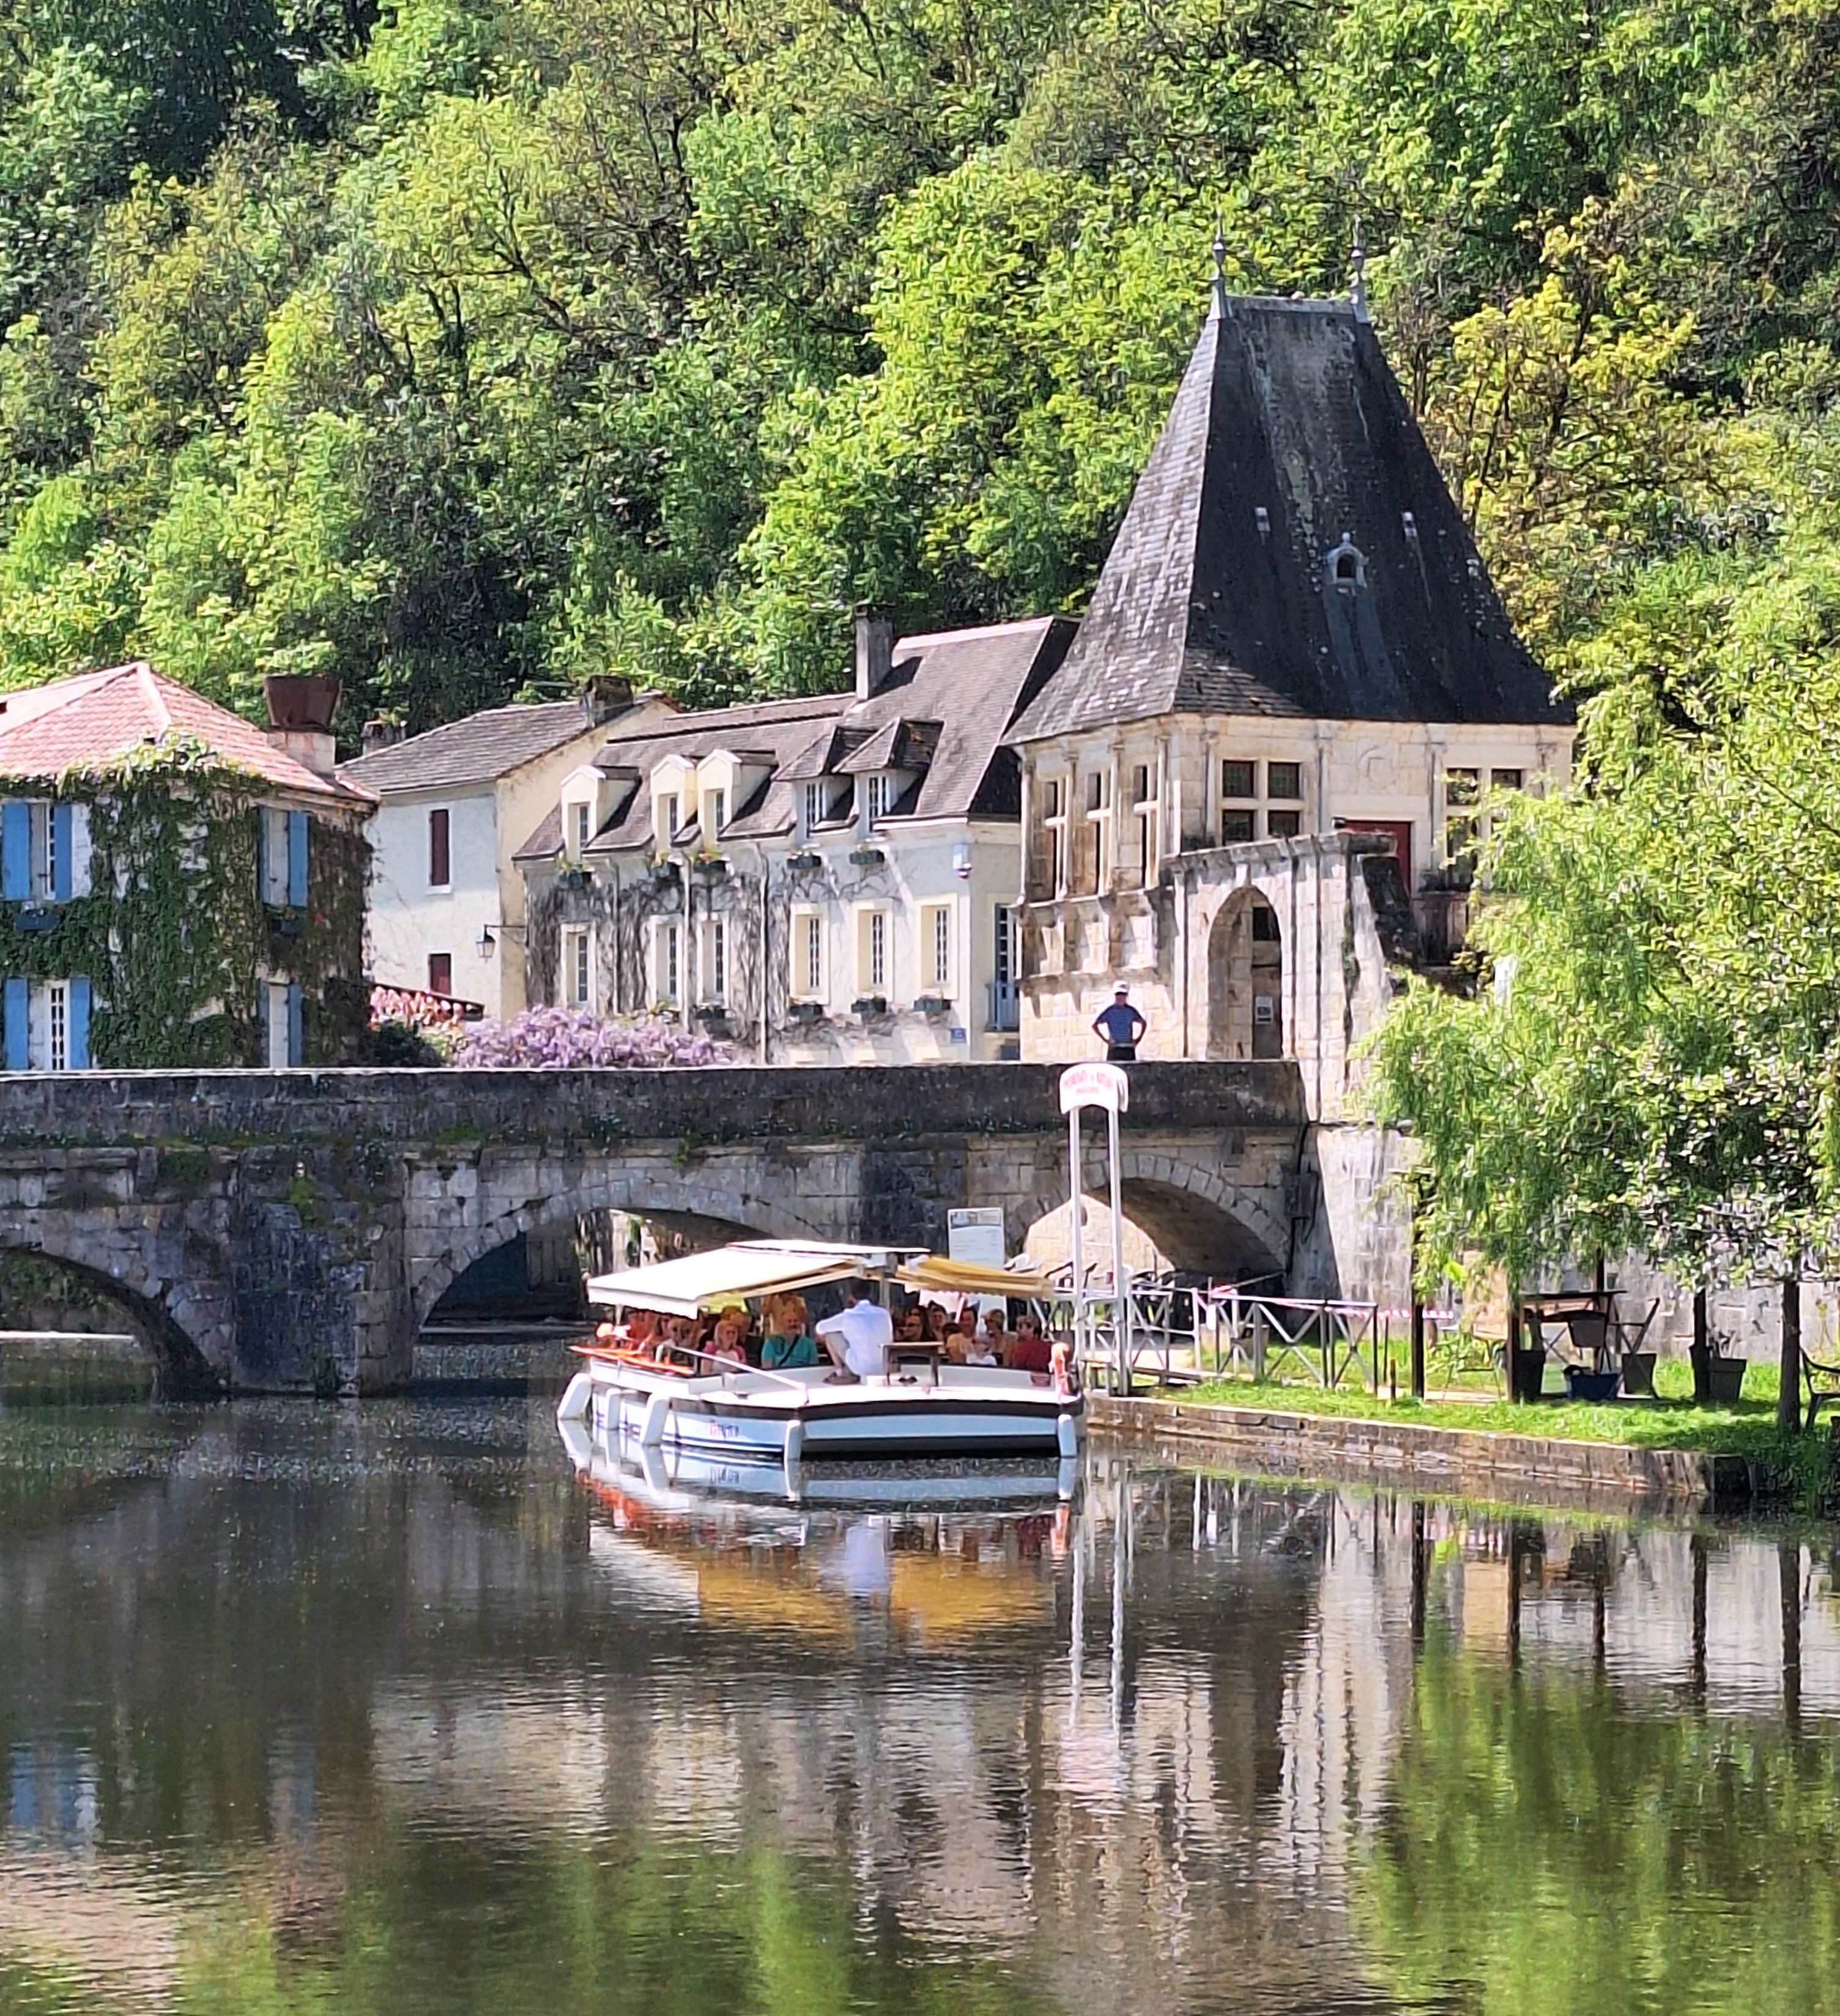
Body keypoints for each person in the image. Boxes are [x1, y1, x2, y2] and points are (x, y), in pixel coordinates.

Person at [814, 1281, 894, 1382]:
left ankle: (840, 1371)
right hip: (884, 1367)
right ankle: (847, 1368)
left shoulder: (848, 1316)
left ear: (851, 1296)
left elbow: (819, 1328)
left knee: (830, 1334)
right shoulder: (884, 1314)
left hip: (860, 1367)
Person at [761, 1294, 821, 1370]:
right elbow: (764, 1313)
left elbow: (805, 1319)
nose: (793, 1324)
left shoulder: (809, 1344)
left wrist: (795, 1301)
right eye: (790, 1321)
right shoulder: (770, 1343)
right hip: (777, 1337)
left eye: (795, 1321)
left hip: (798, 1339)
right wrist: (771, 1294)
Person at [1092, 984, 1147, 1062]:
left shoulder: (1131, 1011)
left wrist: (1138, 1039)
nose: (1120, 997)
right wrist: (1106, 1040)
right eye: (1118, 994)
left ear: (1126, 996)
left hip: (1128, 1047)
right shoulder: (1109, 1011)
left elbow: (1143, 1023)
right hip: (1114, 1047)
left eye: (1123, 994)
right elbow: (1095, 1025)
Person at [1009, 1311, 1053, 1376]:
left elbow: (1036, 1369)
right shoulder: (1015, 1344)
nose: (1017, 1329)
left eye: (1021, 1326)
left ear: (1031, 1329)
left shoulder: (1038, 1348)